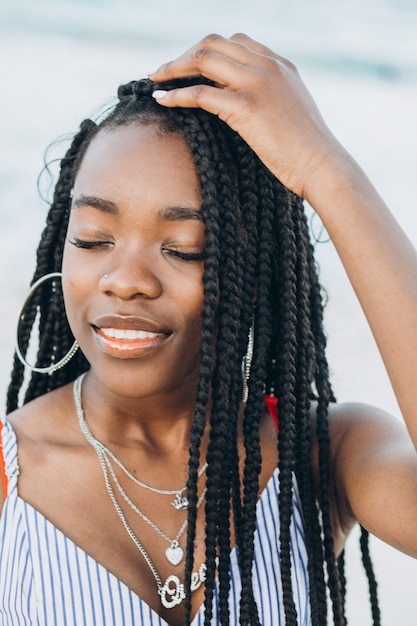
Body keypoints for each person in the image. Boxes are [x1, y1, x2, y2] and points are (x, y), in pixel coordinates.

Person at [0, 32, 416, 626]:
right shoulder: (9, 481)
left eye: (184, 249)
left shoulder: (326, 456)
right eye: (93, 239)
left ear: (253, 278)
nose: (125, 281)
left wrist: (325, 171)